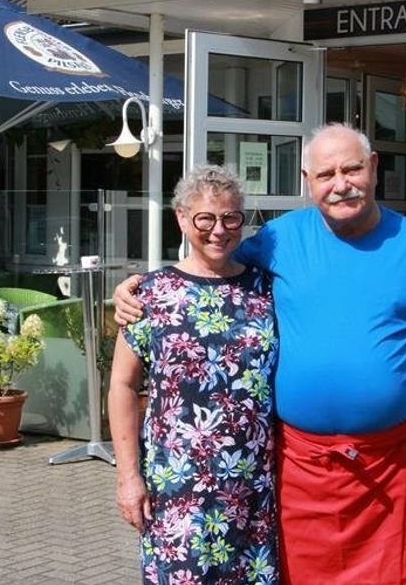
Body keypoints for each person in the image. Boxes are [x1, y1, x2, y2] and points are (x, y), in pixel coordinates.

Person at [115, 124, 406, 584]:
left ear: (373, 168)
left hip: (393, 466)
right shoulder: (278, 239)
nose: (341, 183)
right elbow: (213, 260)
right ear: (306, 180)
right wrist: (137, 288)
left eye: (352, 168)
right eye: (326, 173)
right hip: (300, 468)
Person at [108, 165, 280, 584]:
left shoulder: (267, 289)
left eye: (230, 218)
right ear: (182, 218)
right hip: (178, 492)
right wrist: (129, 477)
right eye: (205, 218)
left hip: (254, 491)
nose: (218, 230)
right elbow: (123, 385)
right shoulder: (150, 294)